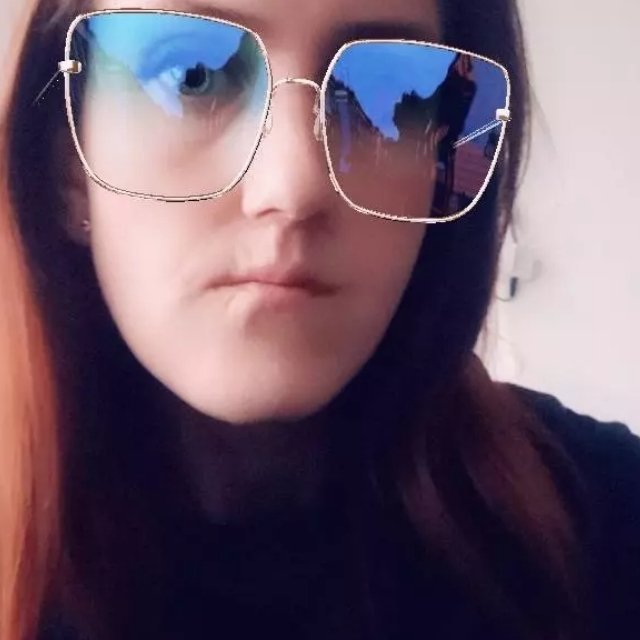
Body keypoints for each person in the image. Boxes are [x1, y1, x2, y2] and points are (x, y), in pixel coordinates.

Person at [0, 1, 638, 640]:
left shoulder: (604, 526)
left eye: (388, 91)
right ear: (65, 165)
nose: (295, 186)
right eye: (193, 75)